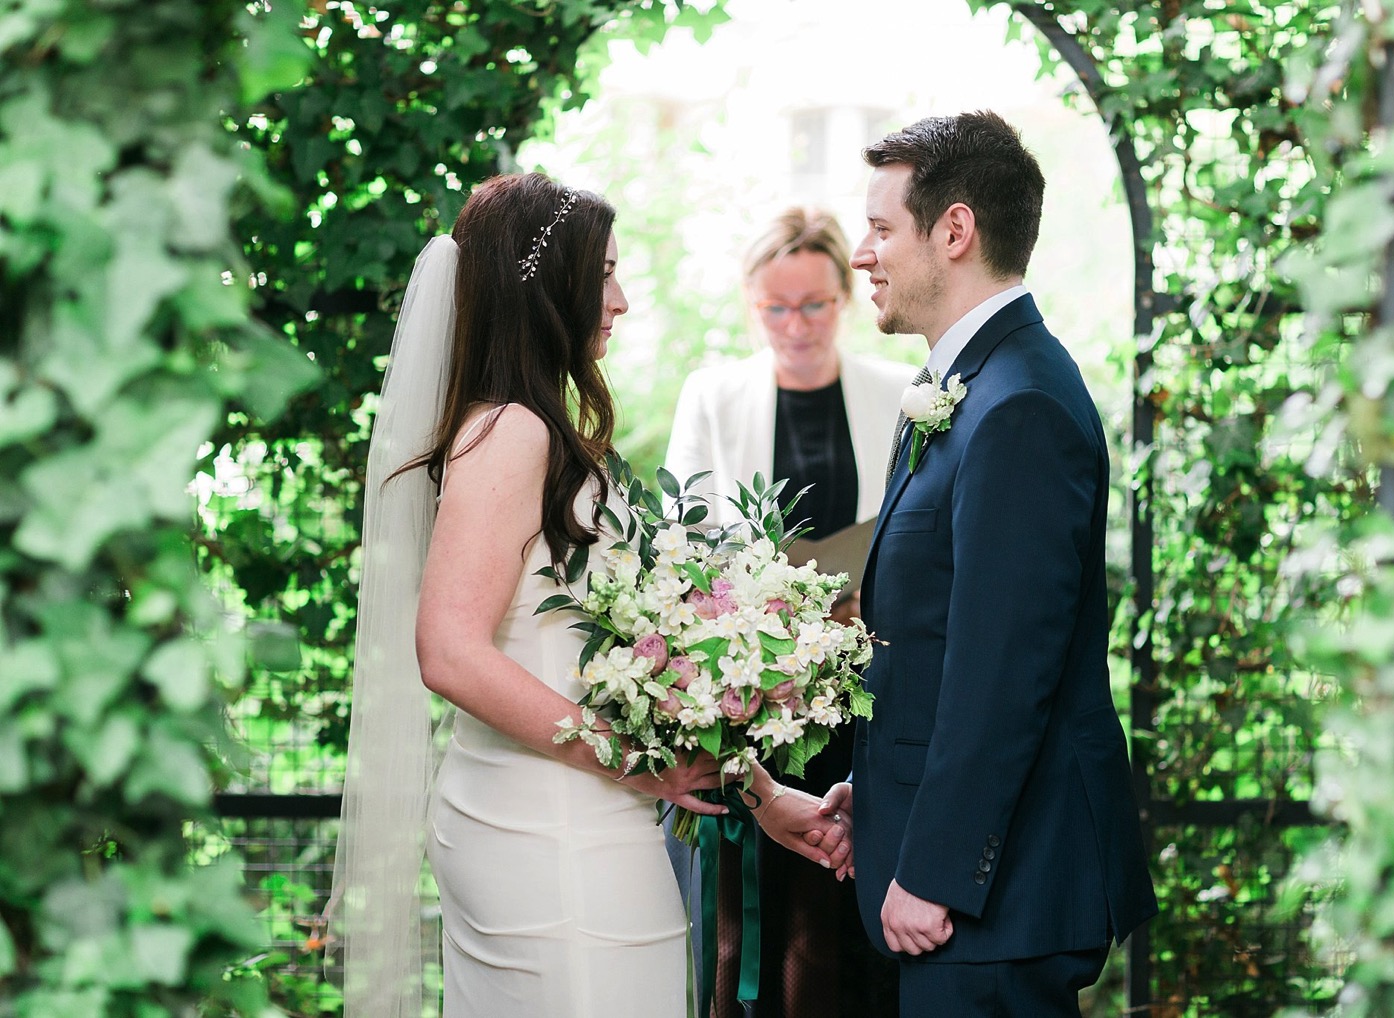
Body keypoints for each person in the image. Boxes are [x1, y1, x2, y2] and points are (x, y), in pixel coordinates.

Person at [334, 172, 851, 1018]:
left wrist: (761, 796)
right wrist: (634, 764)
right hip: (543, 830)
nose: (620, 298)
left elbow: (615, 671)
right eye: (603, 273)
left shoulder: (531, 425)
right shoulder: (512, 430)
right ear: (551, 286)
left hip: (570, 812)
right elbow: (449, 650)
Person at [818, 112, 1159, 1017]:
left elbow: (1004, 671)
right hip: (972, 877)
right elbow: (932, 638)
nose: (861, 254)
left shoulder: (1019, 407)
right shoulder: (969, 387)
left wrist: (935, 867)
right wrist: (884, 792)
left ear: (955, 231)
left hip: (1000, 895)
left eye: (882, 227)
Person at [664, 208, 914, 1018]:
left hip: (866, 695)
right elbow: (684, 549)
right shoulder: (713, 395)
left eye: (814, 305)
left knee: (853, 928)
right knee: (765, 934)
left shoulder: (901, 394)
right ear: (751, 304)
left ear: (845, 296)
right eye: (776, 307)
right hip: (757, 700)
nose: (796, 325)